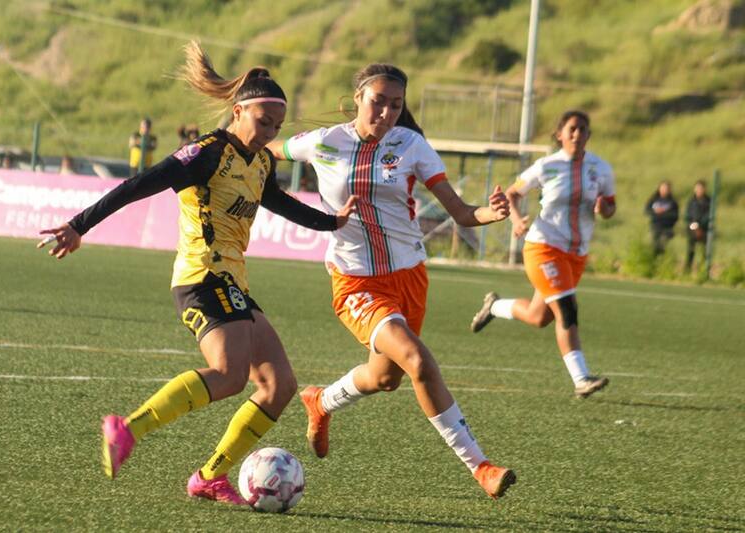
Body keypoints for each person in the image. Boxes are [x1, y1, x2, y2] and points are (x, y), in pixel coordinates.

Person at [38, 41, 357, 505]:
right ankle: (127, 429)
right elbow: (136, 185)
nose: (269, 132)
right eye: (262, 121)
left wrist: (331, 221)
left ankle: (210, 476)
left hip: (234, 284)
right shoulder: (206, 152)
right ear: (237, 110)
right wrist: (78, 225)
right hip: (202, 277)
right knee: (229, 376)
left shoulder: (261, 160)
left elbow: (280, 202)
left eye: (276, 126)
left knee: (280, 385)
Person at [269, 63, 516, 500]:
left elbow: (460, 212)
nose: (385, 112)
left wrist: (489, 213)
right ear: (358, 98)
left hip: (410, 278)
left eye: (395, 105)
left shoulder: (411, 145)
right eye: (377, 102)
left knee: (386, 378)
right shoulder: (325, 142)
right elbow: (269, 148)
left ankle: (321, 401)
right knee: (418, 361)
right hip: (356, 283)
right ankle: (481, 466)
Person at [469, 110, 616, 399]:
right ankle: (581, 378)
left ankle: (495, 307)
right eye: (571, 129)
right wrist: (516, 219)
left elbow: (610, 206)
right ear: (559, 134)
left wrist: (604, 208)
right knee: (567, 309)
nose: (577, 134)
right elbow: (512, 193)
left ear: (589, 135)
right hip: (543, 247)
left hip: (576, 254)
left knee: (540, 317)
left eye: (583, 129)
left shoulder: (601, 168)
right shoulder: (546, 166)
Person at [644, 180, 678, 255]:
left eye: (666, 189)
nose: (664, 190)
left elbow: (675, 215)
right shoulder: (653, 199)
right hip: (655, 226)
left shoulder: (673, 202)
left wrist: (664, 213)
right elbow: (646, 211)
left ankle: (663, 261)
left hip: (667, 227)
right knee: (654, 246)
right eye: (663, 188)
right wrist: (655, 212)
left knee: (663, 246)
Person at [684, 179, 710, 273]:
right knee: (691, 251)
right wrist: (694, 226)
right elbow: (687, 216)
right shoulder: (691, 201)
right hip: (692, 229)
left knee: (705, 252)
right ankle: (687, 271)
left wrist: (700, 225)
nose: (699, 190)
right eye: (697, 188)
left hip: (704, 229)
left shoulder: (709, 201)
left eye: (701, 188)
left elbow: (709, 215)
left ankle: (703, 271)